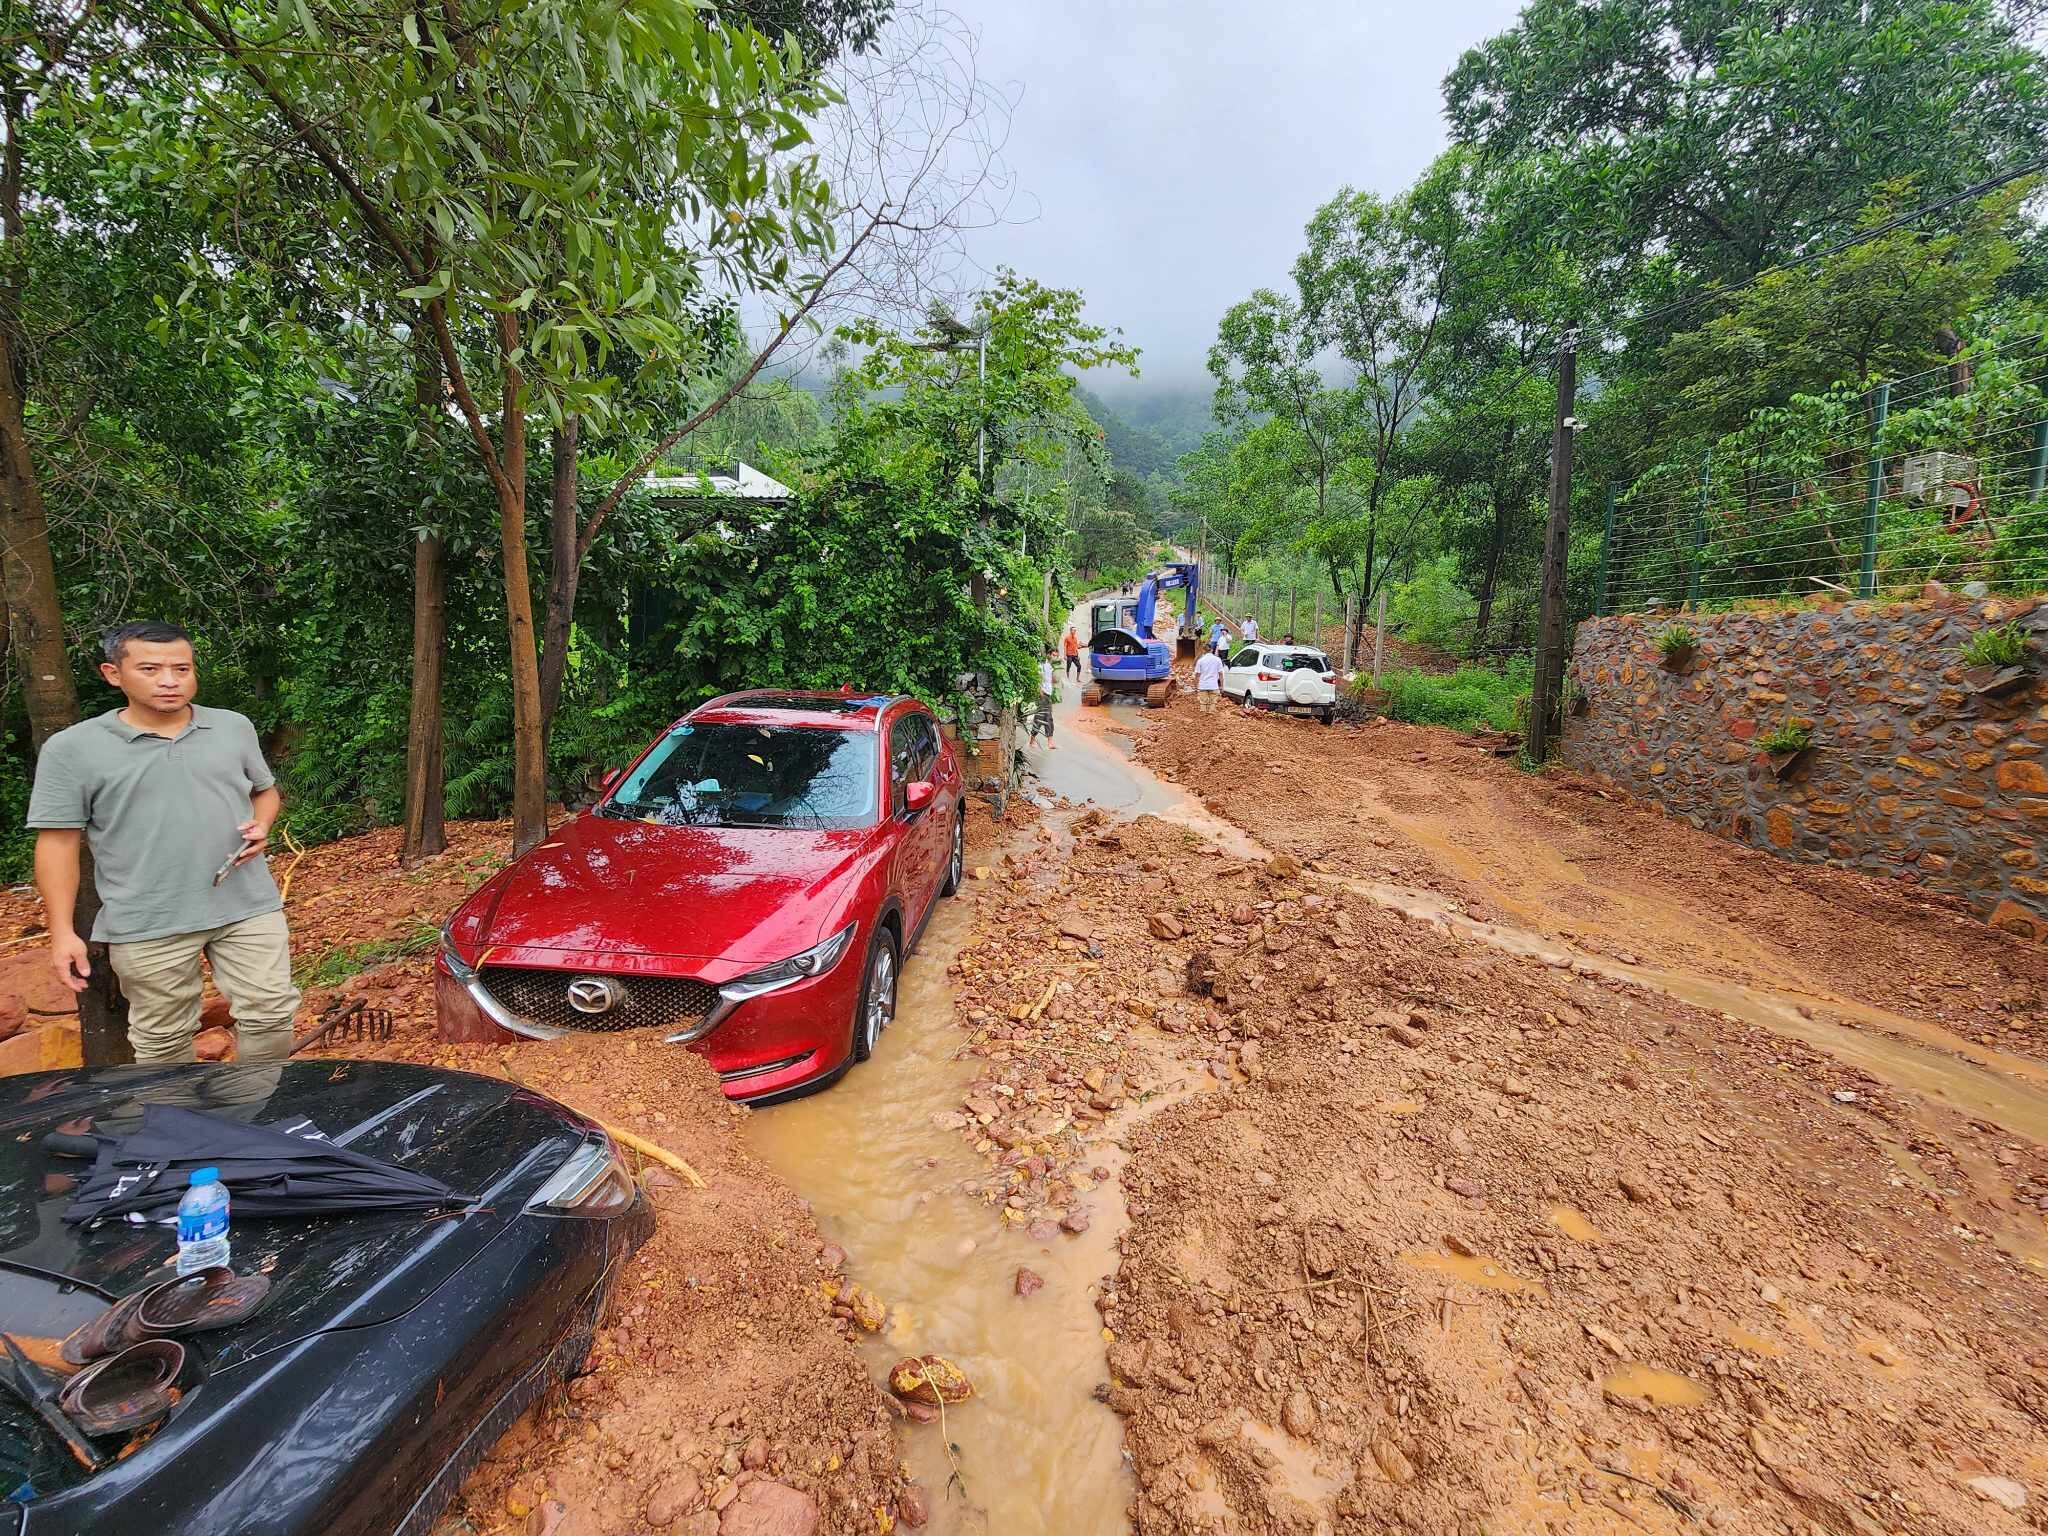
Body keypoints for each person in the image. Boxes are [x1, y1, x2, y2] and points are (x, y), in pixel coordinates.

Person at [29, 622, 301, 1064]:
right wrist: (61, 931)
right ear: (113, 674)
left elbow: (264, 792)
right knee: (163, 1037)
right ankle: (178, 1126)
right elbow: (57, 843)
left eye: (182, 668)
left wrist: (262, 823)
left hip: (246, 901)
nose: (170, 681)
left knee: (272, 1014)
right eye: (151, 669)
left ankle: (255, 1112)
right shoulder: (72, 750)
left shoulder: (232, 727)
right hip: (147, 916)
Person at [1032, 649, 1057, 749]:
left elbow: (1054, 680)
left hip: (1049, 694)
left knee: (1048, 718)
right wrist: (1039, 691)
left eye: (1056, 655)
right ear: (1048, 655)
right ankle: (1033, 740)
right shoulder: (1042, 665)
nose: (1054, 657)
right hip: (1042, 694)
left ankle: (1049, 741)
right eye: (1053, 655)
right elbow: (1038, 678)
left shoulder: (1052, 667)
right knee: (1040, 717)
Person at [1193, 645, 1225, 713]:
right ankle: (1211, 719)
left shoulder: (1200, 661)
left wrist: (1195, 687)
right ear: (1212, 650)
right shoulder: (1217, 660)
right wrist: (1222, 686)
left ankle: (1204, 720)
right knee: (1212, 704)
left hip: (1203, 686)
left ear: (1204, 651)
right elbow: (1221, 674)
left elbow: (1197, 675)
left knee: (1203, 705)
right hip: (1214, 686)